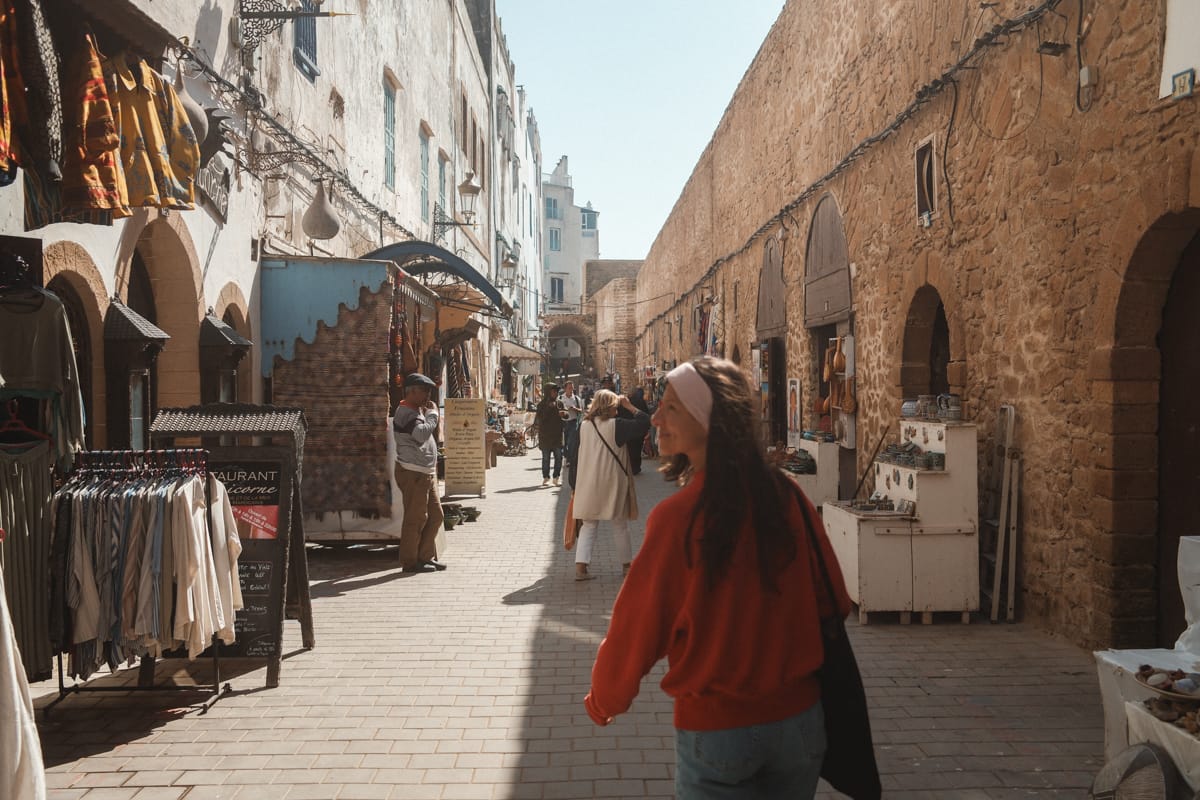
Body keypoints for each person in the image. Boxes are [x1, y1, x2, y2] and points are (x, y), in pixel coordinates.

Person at [583, 357, 853, 799]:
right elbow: (836, 602)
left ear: (709, 420)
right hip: (799, 723)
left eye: (671, 408)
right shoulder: (788, 497)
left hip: (720, 731)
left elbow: (639, 626)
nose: (655, 417)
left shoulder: (678, 518)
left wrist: (605, 699)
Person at [569, 389, 650, 580]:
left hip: (588, 482)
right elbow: (645, 422)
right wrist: (629, 406)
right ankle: (627, 567)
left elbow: (574, 457)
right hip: (613, 481)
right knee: (620, 524)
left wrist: (574, 485)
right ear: (612, 406)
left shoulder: (585, 425)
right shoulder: (617, 426)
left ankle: (581, 568)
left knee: (588, 525)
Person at [392, 372, 446, 574]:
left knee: (435, 516)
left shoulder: (415, 409)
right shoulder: (407, 412)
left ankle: (424, 557)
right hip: (413, 473)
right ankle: (410, 561)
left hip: (424, 472)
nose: (427, 395)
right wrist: (433, 415)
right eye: (424, 391)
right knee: (416, 518)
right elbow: (421, 435)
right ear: (412, 392)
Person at [534, 383, 567, 486]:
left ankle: (556, 477)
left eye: (556, 391)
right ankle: (546, 477)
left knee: (559, 457)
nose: (556, 393)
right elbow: (540, 419)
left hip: (557, 436)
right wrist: (548, 408)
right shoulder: (541, 405)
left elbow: (566, 415)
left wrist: (564, 414)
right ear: (548, 392)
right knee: (546, 458)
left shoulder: (560, 403)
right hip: (545, 437)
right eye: (553, 391)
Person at [560, 381, 584, 466]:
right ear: (565, 389)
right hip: (563, 423)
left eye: (572, 388)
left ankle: (569, 459)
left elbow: (581, 411)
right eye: (569, 388)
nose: (571, 390)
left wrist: (575, 409)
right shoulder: (560, 398)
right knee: (564, 443)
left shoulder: (577, 399)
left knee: (571, 442)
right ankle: (566, 456)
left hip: (573, 422)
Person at [626, 387, 650, 474]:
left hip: (629, 427)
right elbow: (646, 414)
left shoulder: (626, 402)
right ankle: (636, 466)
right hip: (639, 428)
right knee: (638, 447)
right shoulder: (641, 402)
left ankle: (632, 467)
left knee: (630, 448)